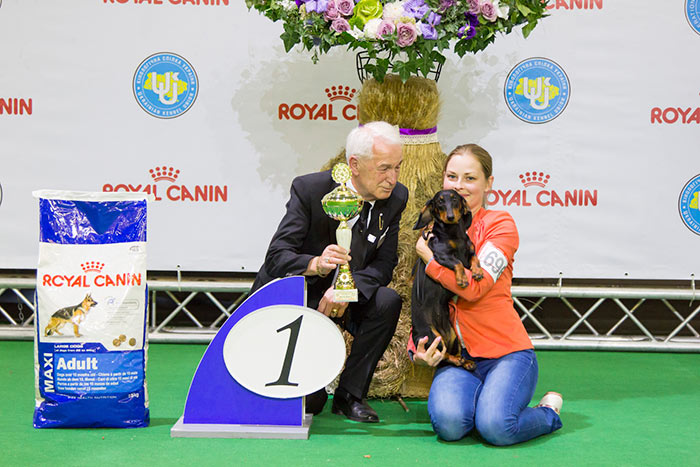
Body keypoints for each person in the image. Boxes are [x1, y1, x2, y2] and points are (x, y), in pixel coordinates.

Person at [252, 121, 408, 423]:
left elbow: (384, 264)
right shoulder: (310, 190)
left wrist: (347, 290)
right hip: (300, 296)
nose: (392, 178)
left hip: (345, 296)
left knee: (386, 301)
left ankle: (350, 396)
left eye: (397, 167)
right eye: (384, 168)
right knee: (310, 403)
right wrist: (315, 264)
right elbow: (277, 256)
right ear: (355, 165)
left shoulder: (396, 198)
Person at [409, 143, 563, 445]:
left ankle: (547, 412)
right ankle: (483, 404)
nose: (459, 185)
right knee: (449, 426)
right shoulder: (431, 230)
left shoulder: (500, 225)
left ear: (488, 183)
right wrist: (417, 348)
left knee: (496, 428)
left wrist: (431, 261)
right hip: (460, 358)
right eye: (452, 177)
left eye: (470, 178)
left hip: (506, 353)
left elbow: (475, 288)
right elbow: (421, 297)